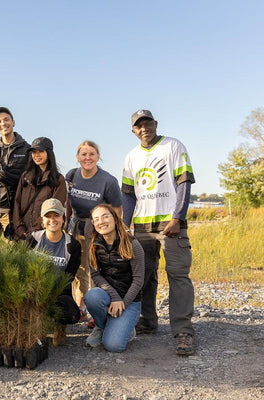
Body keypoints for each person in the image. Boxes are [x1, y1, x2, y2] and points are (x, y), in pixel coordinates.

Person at [122, 109, 196, 356]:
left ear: (155, 123)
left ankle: (183, 331)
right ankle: (148, 321)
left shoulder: (173, 146)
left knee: (177, 274)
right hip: (142, 226)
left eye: (147, 123)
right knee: (143, 274)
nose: (144, 128)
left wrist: (178, 217)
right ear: (133, 130)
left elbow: (184, 183)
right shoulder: (131, 157)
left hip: (170, 224)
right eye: (139, 126)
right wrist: (125, 225)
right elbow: (128, 195)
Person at [65, 140, 122, 321]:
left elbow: (117, 210)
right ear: (77, 157)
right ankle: (80, 307)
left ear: (98, 157)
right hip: (76, 227)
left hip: (99, 229)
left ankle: (97, 310)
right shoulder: (72, 175)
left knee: (96, 268)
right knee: (78, 268)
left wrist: (114, 235)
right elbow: (67, 203)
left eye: (92, 154)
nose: (87, 158)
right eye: (84, 154)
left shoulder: (108, 181)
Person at [84, 204, 144, 352]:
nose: (101, 221)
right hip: (108, 296)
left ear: (115, 219)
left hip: (130, 300)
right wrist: (115, 297)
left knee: (114, 345)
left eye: (105, 216)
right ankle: (102, 326)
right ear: (93, 224)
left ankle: (126, 327)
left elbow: (138, 280)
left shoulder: (132, 244)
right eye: (96, 219)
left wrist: (123, 303)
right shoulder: (94, 245)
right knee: (92, 296)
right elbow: (95, 274)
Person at [27, 198, 81, 346]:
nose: (52, 220)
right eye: (48, 216)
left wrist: (50, 296)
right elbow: (23, 270)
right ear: (42, 220)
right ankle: (38, 325)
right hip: (35, 291)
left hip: (59, 292)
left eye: (56, 215)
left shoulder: (73, 245)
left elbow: (68, 278)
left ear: (63, 218)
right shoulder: (33, 240)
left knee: (72, 314)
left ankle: (59, 326)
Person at [12, 137, 67, 240]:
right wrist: (20, 230)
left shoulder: (58, 180)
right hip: (21, 236)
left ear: (49, 153)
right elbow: (17, 203)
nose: (36, 155)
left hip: (43, 237)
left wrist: (37, 233)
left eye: (40, 151)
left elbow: (55, 211)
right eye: (34, 152)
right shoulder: (25, 176)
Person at [0, 107, 30, 237]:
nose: (3, 123)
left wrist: (2, 173)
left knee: (12, 247)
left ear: (13, 122)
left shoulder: (27, 149)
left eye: (6, 120)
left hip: (15, 211)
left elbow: (25, 180)